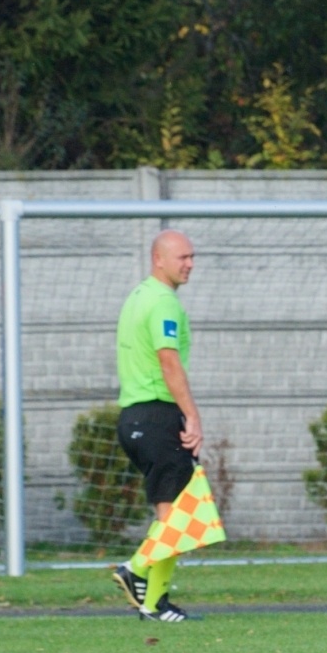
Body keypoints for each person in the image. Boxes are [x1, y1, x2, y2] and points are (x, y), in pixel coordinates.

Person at [111, 229, 226, 622]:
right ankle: (137, 570)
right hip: (159, 416)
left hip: (134, 417)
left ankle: (153, 602)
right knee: (181, 517)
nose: (190, 263)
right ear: (158, 259)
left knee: (173, 513)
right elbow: (168, 361)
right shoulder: (163, 304)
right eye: (182, 257)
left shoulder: (140, 295)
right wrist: (192, 415)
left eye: (192, 256)